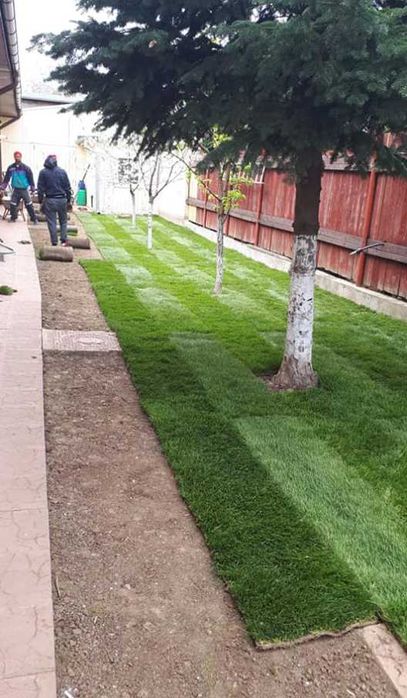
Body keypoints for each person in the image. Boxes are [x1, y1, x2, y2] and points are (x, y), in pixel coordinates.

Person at [37, 154, 73, 247]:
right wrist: (68, 200)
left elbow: (40, 188)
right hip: (62, 199)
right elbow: (67, 187)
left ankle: (54, 242)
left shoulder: (43, 172)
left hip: (50, 200)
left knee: (51, 221)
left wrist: (40, 201)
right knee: (63, 221)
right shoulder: (62, 172)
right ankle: (63, 240)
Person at [1, 151, 38, 223]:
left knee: (29, 204)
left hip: (24, 190)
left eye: (18, 156)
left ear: (21, 157)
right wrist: (2, 188)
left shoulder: (26, 168)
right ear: (14, 157)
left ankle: (34, 219)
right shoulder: (11, 168)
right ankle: (13, 218)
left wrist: (33, 189)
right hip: (16, 190)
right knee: (12, 204)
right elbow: (6, 179)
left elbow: (31, 179)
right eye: (16, 156)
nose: (17, 158)